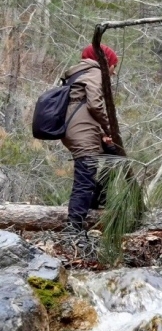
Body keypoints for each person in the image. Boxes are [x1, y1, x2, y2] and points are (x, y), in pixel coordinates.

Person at [62, 44, 119, 233]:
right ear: (105, 61)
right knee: (84, 180)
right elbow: (95, 104)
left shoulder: (78, 74)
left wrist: (103, 134)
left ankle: (96, 206)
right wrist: (110, 127)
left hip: (78, 131)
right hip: (82, 133)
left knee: (113, 156)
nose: (114, 72)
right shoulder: (94, 72)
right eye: (113, 65)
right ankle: (73, 230)